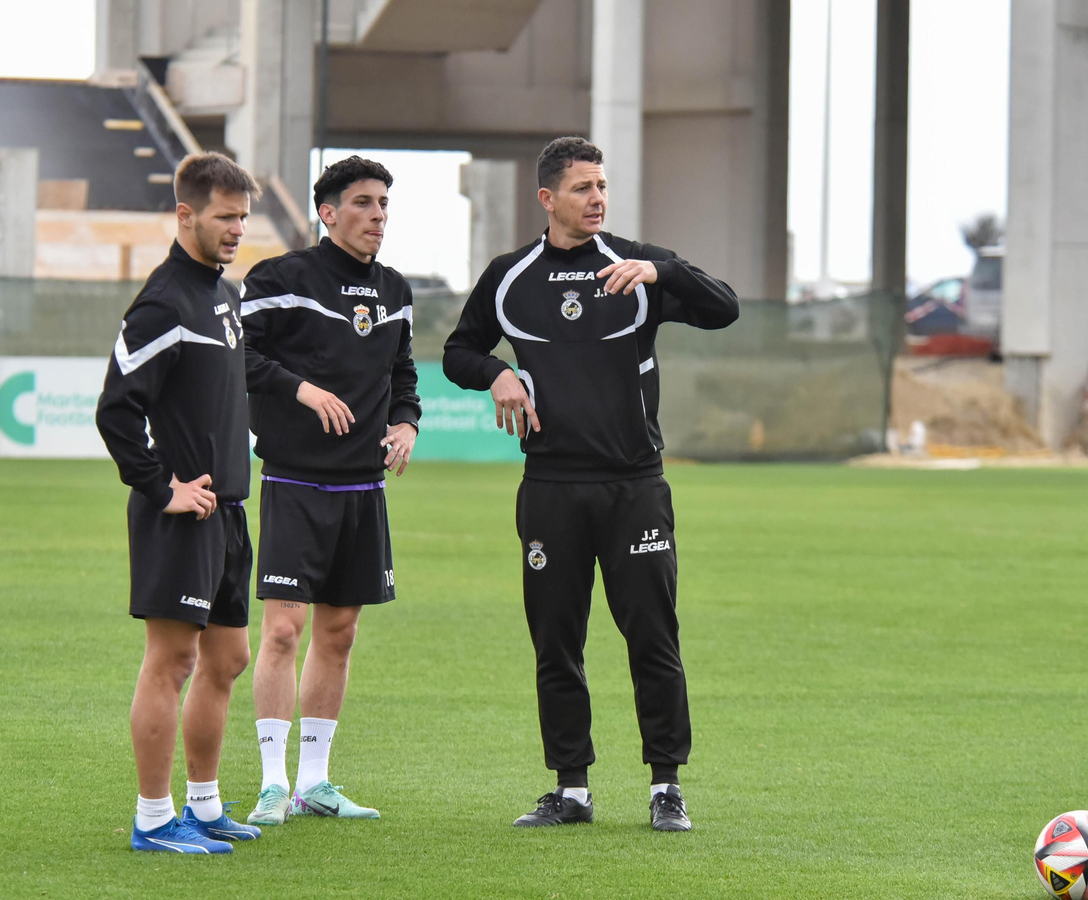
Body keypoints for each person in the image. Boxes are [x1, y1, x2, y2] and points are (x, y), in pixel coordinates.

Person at [442, 136, 738, 832]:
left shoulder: (634, 267)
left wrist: (663, 272)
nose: (597, 198)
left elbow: (723, 308)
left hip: (633, 486)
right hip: (550, 487)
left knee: (653, 638)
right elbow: (459, 349)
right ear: (548, 199)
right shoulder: (510, 275)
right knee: (556, 641)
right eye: (582, 188)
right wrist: (498, 373)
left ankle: (667, 786)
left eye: (602, 186)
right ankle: (570, 789)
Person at [238, 155, 420, 826]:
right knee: (284, 629)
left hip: (362, 487)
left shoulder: (397, 291)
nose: (377, 216)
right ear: (328, 211)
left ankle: (315, 783)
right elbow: (239, 353)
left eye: (383, 205)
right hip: (293, 480)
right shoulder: (281, 279)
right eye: (365, 204)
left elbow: (403, 373)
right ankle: (270, 782)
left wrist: (406, 423)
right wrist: (302, 388)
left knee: (338, 634)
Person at [95, 152, 265, 853]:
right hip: (181, 515)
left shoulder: (223, 297)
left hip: (226, 509)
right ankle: (154, 818)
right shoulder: (164, 301)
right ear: (185, 214)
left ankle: (202, 803)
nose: (235, 231)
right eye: (225, 218)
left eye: (242, 219)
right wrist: (160, 486)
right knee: (172, 663)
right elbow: (115, 409)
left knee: (227, 661)